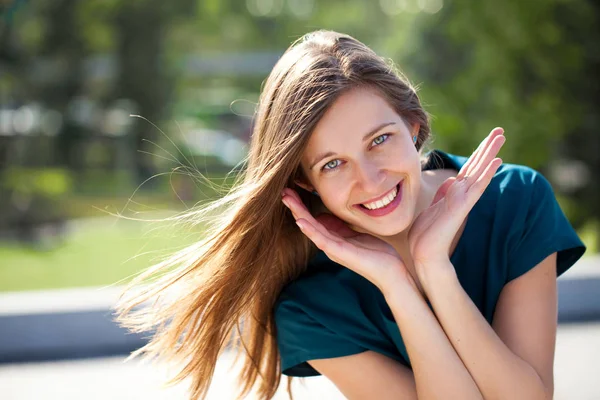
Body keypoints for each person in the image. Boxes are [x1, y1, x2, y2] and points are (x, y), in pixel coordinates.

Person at [116, 30, 586, 399]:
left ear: (413, 124)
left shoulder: (513, 200)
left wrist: (435, 269)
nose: (371, 180)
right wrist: (402, 286)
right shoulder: (311, 306)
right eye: (333, 164)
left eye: (379, 139)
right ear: (304, 183)